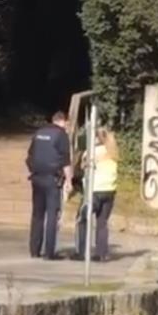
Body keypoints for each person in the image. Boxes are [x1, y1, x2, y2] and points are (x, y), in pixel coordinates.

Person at [27, 110, 72, 260]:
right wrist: (69, 180)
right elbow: (66, 161)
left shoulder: (39, 133)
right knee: (52, 215)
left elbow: (29, 156)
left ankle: (34, 250)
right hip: (52, 179)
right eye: (67, 123)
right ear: (63, 121)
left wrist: (33, 170)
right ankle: (49, 252)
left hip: (37, 178)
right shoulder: (61, 135)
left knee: (37, 214)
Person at [74, 128, 118, 261]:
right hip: (110, 190)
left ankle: (81, 252)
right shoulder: (113, 152)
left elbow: (81, 169)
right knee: (102, 222)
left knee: (82, 219)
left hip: (94, 191)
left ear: (96, 138)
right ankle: (102, 253)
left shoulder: (91, 153)